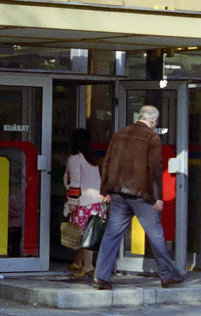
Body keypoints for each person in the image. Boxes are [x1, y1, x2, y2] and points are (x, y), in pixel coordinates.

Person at [93, 104, 183, 290]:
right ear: (154, 120)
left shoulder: (119, 134)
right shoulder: (152, 137)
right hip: (141, 194)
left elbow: (107, 162)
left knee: (112, 235)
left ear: (139, 116)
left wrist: (105, 190)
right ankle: (167, 275)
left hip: (118, 192)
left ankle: (101, 277)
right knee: (155, 234)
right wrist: (158, 196)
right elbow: (155, 169)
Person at [63, 128, 105, 278]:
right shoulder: (91, 158)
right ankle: (77, 263)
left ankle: (88, 266)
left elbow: (75, 182)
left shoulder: (74, 159)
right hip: (96, 203)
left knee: (83, 236)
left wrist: (72, 203)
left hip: (83, 202)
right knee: (88, 233)